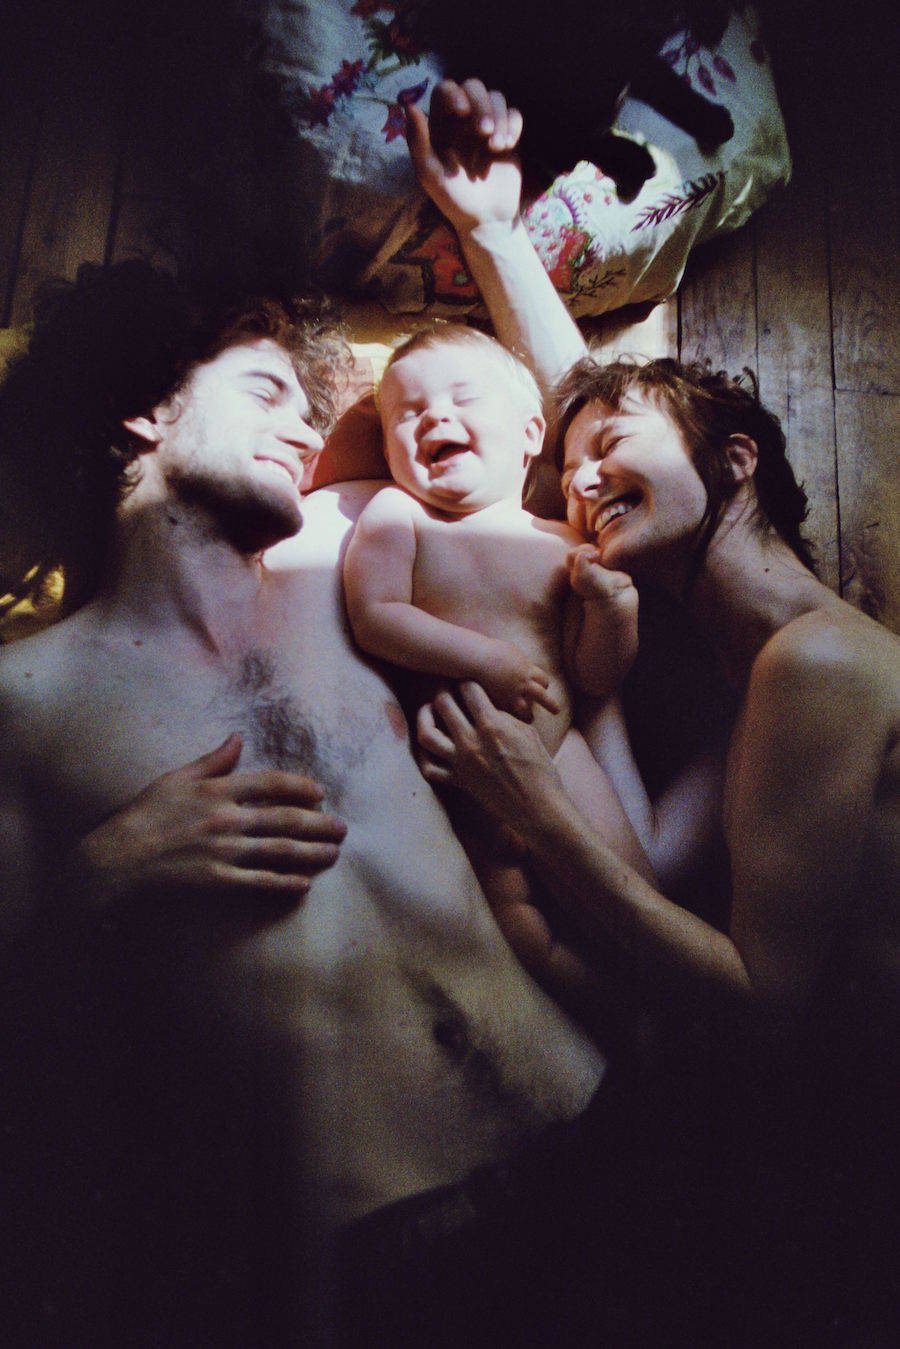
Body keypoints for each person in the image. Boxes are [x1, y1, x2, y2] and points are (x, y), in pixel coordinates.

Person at [0, 262, 605, 1343]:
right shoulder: (25, 699)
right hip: (389, 1252)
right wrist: (102, 872)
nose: (306, 432)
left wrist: (495, 237)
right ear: (144, 409)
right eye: (266, 392)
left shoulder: (349, 548)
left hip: (597, 1123)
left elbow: (596, 436)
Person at [409, 79, 900, 1340]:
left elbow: (763, 1015)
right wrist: (489, 228)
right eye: (567, 469)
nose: (576, 482)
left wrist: (533, 806)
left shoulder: (818, 660)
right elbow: (593, 405)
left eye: (606, 450)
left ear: (736, 462)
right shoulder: (724, 657)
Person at [343, 323, 653, 1012]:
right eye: (407, 414)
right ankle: (608, 1014)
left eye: (462, 398)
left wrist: (612, 611)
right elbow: (375, 614)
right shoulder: (400, 515)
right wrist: (483, 658)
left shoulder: (563, 540)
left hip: (561, 754)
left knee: (634, 887)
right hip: (461, 775)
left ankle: (645, 1006)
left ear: (529, 434)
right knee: (518, 933)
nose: (434, 417)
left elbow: (595, 677)